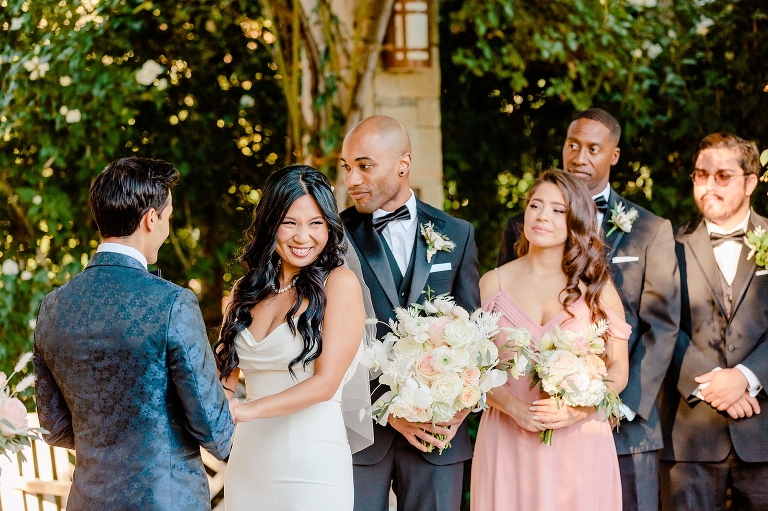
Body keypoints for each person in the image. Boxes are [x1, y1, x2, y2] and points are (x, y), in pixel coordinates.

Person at [497, 108, 680, 511]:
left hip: (628, 420)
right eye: (573, 145)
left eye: (593, 149)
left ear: (614, 155)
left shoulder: (650, 229)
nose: (579, 157)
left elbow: (661, 327)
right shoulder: (521, 226)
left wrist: (611, 402)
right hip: (534, 416)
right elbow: (502, 324)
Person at [33, 157, 234, 511]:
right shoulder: (173, 303)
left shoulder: (52, 308)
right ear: (151, 219)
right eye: (169, 217)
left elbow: (53, 427)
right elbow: (214, 431)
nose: (167, 228)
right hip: (166, 501)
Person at [340, 115, 481, 511]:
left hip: (438, 433)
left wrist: (461, 403)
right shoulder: (334, 236)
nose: (352, 180)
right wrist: (386, 409)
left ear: (403, 164)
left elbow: (475, 332)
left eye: (365, 166)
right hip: (361, 434)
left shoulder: (457, 233)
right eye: (347, 167)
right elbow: (324, 337)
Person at [472, 169, 630, 510]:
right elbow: (474, 369)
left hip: (580, 441)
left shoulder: (598, 288)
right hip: (507, 437)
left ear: (575, 221)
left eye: (558, 210)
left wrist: (578, 410)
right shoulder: (492, 284)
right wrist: (515, 409)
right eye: (535, 205)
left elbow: (618, 369)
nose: (542, 216)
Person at [217, 165, 367, 511]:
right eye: (290, 222)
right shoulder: (244, 290)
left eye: (315, 223)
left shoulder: (339, 284)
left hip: (312, 463)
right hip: (249, 462)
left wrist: (246, 410)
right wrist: (211, 409)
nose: (303, 237)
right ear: (271, 222)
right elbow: (223, 375)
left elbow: (325, 384)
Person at [659, 133, 768, 511]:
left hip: (764, 428)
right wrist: (710, 383)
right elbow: (659, 323)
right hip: (690, 436)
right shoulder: (667, 243)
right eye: (701, 175)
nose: (708, 185)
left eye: (722, 176)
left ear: (750, 183)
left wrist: (747, 377)